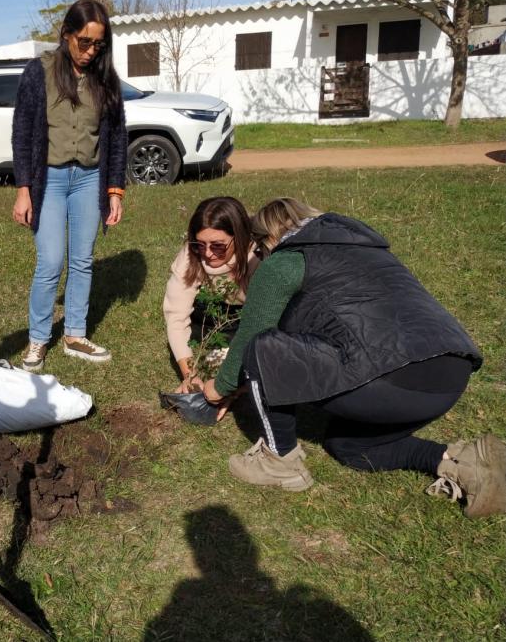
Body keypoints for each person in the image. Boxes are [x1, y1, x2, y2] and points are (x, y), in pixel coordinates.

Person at [199, 199, 502, 518]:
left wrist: (216, 390)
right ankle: (462, 462)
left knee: (262, 347)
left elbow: (252, 336)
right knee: (347, 446)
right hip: (449, 375)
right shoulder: (368, 249)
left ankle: (279, 461)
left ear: (267, 239)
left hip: (394, 376)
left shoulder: (286, 259)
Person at [11, 0, 126, 372]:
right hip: (51, 181)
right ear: (65, 35)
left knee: (82, 261)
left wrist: (114, 189)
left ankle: (75, 334)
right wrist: (24, 188)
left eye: (98, 44)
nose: (91, 51)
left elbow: (117, 136)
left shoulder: (105, 78)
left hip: (89, 180)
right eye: (84, 42)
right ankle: (38, 340)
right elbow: (23, 131)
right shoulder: (39, 72)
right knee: (50, 261)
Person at [163, 196, 260, 394]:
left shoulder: (260, 256)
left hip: (251, 312)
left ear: (239, 237)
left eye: (218, 245)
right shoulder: (191, 256)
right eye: (200, 244)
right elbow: (176, 317)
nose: (207, 253)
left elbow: (265, 319)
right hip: (214, 311)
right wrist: (191, 376)